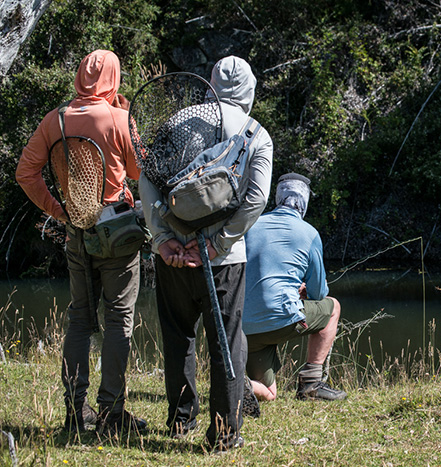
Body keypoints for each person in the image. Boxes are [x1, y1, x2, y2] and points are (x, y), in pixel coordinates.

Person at [139, 55, 273, 451]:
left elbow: (147, 178)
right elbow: (257, 199)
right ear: (249, 92)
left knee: (179, 337)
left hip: (174, 255)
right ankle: (225, 434)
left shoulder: (178, 121)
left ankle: (181, 421)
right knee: (225, 344)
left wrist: (162, 239)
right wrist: (218, 243)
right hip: (224, 261)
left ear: (210, 82)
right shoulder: (256, 134)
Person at [15, 50, 146, 434]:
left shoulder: (53, 120)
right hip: (118, 232)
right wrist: (122, 122)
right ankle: (111, 413)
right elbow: (141, 172)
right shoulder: (120, 118)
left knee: (79, 321)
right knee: (119, 320)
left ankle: (75, 412)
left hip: (77, 230)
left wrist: (58, 210)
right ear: (114, 78)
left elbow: (26, 173)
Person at [243, 173, 347, 402]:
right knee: (333, 308)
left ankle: (238, 384)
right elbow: (320, 293)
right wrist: (302, 290)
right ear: (305, 201)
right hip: (282, 318)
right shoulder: (309, 233)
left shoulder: (250, 224)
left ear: (277, 197)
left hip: (245, 327)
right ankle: (311, 385)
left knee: (269, 394)